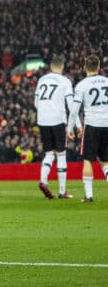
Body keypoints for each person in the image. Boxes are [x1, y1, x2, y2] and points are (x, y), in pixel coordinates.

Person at [34, 54, 78, 199]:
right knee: (61, 154)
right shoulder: (65, 81)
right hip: (58, 120)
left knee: (48, 153)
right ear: (62, 67)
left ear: (51, 67)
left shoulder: (41, 80)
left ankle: (43, 181)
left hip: (42, 120)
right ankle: (62, 191)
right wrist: (77, 124)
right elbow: (71, 105)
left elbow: (36, 103)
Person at [67, 54, 108, 203]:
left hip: (92, 126)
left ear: (85, 68)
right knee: (105, 161)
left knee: (88, 160)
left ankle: (89, 195)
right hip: (107, 124)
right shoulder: (107, 81)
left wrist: (70, 128)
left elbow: (74, 110)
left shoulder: (82, 85)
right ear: (98, 67)